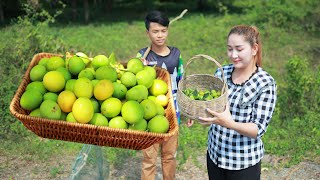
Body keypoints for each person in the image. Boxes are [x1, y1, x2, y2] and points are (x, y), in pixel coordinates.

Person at [188, 25, 277, 180]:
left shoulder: (265, 83)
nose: (233, 54)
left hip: (243, 163)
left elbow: (258, 129)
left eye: (239, 49)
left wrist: (230, 123)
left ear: (254, 49)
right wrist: (197, 112)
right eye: (230, 49)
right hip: (215, 154)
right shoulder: (222, 72)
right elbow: (212, 104)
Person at [136, 10, 184, 180]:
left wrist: (186, 109)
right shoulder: (142, 56)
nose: (160, 35)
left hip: (173, 111)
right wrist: (139, 67)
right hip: (150, 113)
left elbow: (181, 80)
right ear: (147, 32)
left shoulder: (176, 54)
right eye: (155, 31)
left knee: (169, 156)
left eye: (163, 31)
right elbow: (135, 84)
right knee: (149, 158)